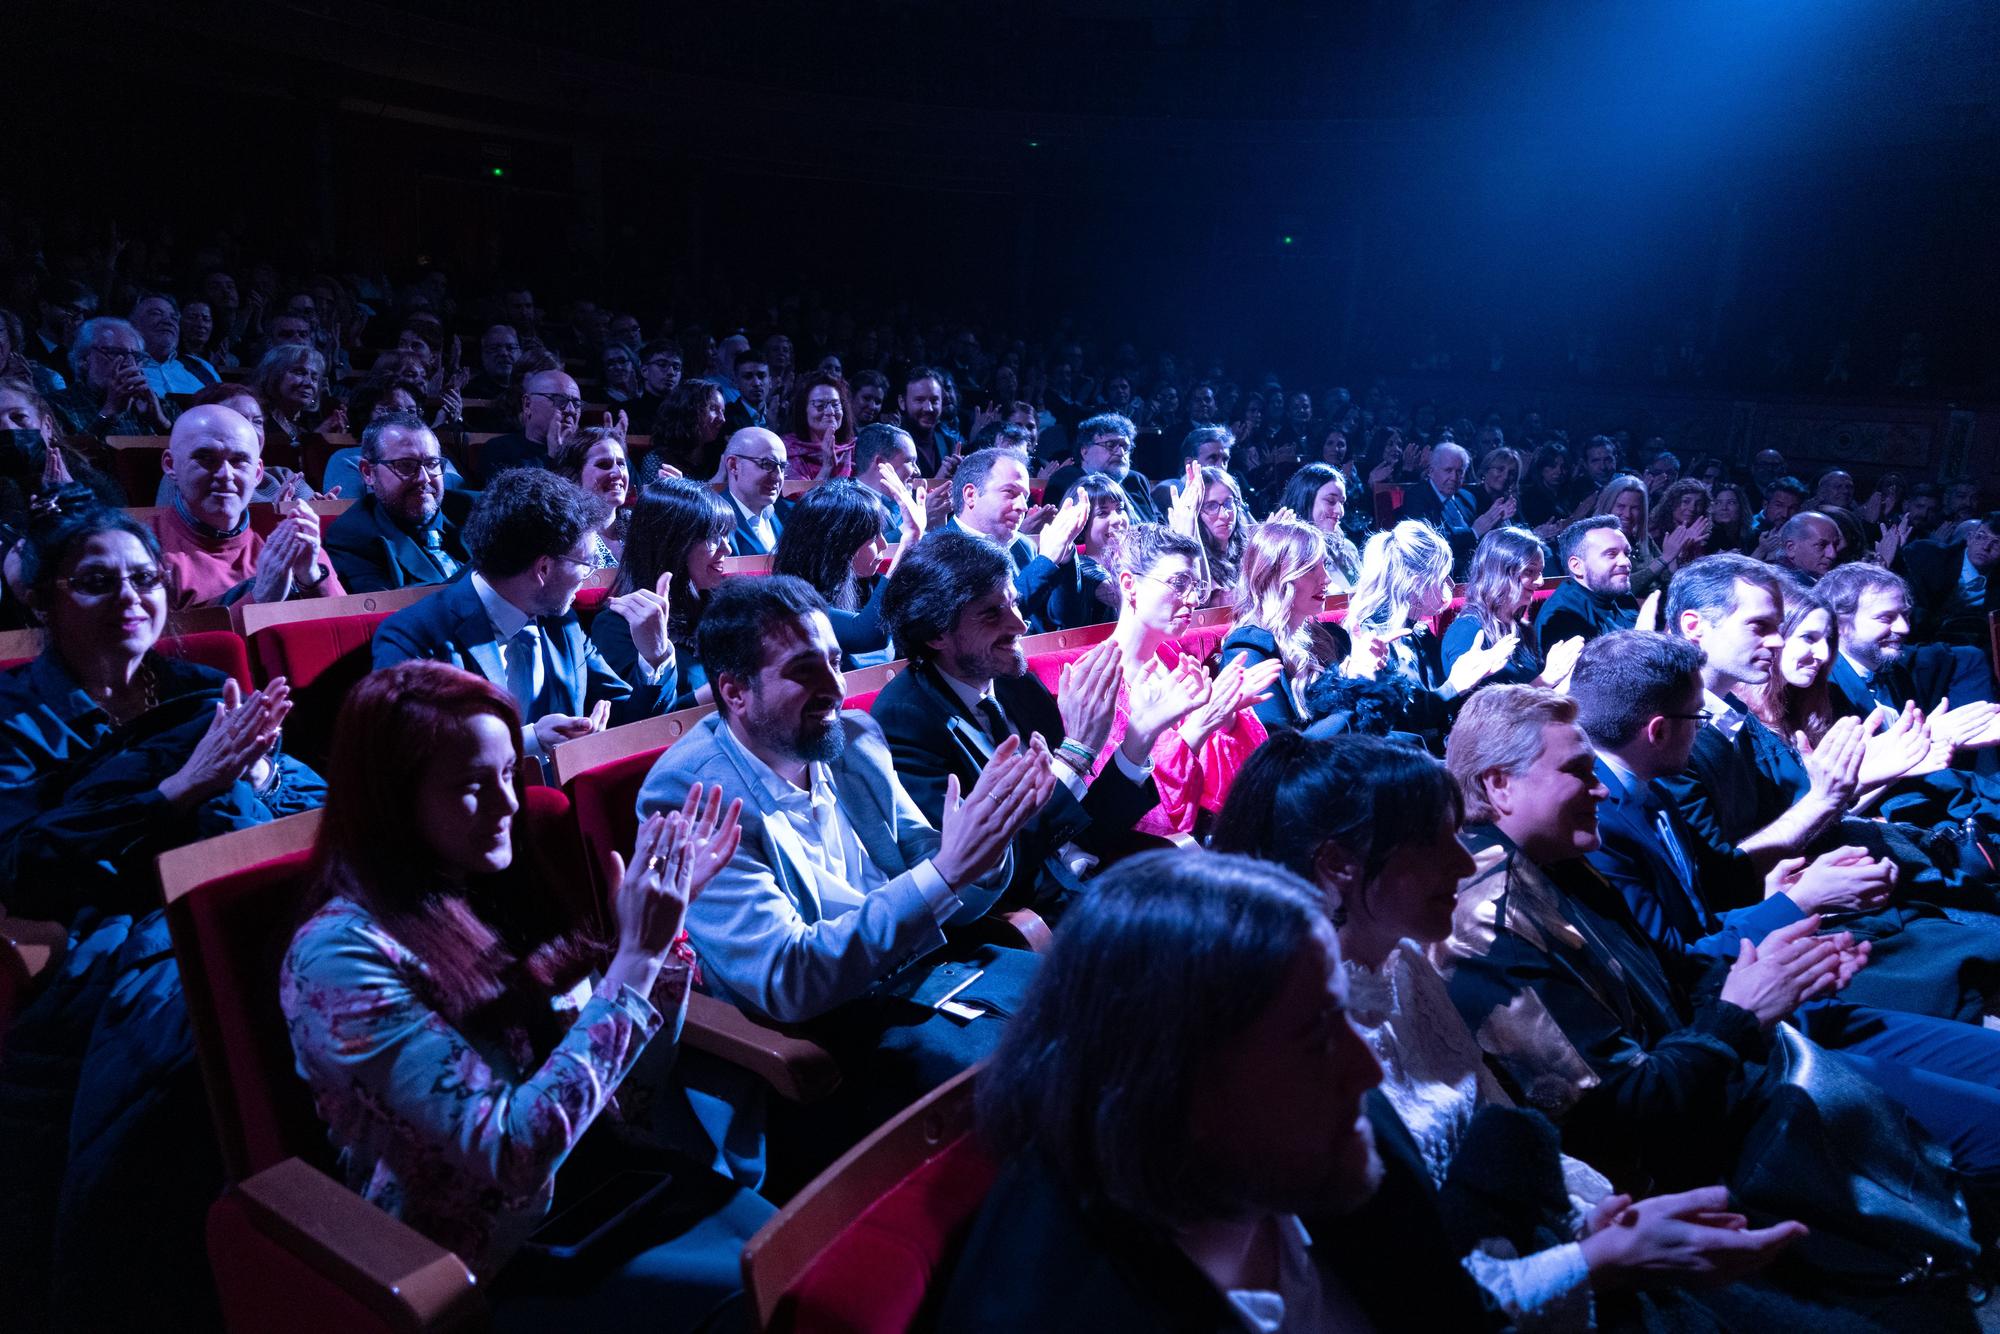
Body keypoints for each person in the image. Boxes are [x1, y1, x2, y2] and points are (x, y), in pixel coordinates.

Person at [1209, 733, 1817, 1329]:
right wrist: (1593, 1258)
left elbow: (1508, 1131)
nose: (1465, 859)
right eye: (1433, 842)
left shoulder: (1404, 967)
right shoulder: (1294, 1048)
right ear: (1340, 864)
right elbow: (1402, 1292)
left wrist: (1591, 1222)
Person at [280, 662, 771, 1328]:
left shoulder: (493, 886)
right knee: (769, 1297)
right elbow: (511, 1156)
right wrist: (635, 961)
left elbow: (627, 1092)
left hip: (604, 1185)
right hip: (478, 1264)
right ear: (393, 801)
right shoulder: (339, 956)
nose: (510, 804)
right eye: (472, 786)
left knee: (805, 1257)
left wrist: (668, 938)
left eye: (511, 774)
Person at [1443, 686, 2000, 1235]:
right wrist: (1743, 1008)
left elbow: (1673, 976)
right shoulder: (1493, 918)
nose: (1602, 790)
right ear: (1500, 785)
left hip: (1743, 1054)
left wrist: (1777, 967)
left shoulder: (1555, 856)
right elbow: (1624, 1119)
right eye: (1579, 773)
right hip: (1717, 1124)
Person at [939, 848, 1503, 1333]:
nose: (1370, 1071)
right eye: (1314, 1039)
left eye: (1343, 1016)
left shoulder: (1337, 1138)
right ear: (1172, 1087)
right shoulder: (1075, 1310)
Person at [0, 499, 322, 1330]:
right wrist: (181, 788)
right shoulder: (13, 719)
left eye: (144, 579)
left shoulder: (192, 688)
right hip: (102, 927)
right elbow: (22, 862)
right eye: (97, 582)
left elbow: (303, 791)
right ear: (44, 601)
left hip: (231, 887)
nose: (130, 599)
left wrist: (252, 785)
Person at [635, 575, 1051, 1162]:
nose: (835, 686)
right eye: (805, 670)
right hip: (821, 1035)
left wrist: (983, 845)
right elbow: (787, 978)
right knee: (1043, 1099)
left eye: (835, 660)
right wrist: (947, 871)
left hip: (921, 977)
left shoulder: (852, 737)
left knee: (1106, 1005)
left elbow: (931, 869)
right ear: (734, 692)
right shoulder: (691, 793)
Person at [872, 530, 1179, 912]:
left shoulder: (1016, 681)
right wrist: (1073, 756)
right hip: (1022, 917)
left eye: (1014, 603)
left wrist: (1139, 738)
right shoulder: (905, 719)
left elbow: (1082, 824)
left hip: (1087, 888)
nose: (1020, 624)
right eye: (991, 613)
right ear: (936, 633)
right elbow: (983, 876)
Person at [373, 470, 673, 767]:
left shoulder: (563, 623)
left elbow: (629, 719)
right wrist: (527, 741)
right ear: (543, 569)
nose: (588, 577)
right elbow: (410, 755)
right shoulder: (414, 635)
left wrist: (654, 657)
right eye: (586, 563)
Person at [1334, 520, 1515, 753]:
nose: (1449, 585)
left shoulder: (1419, 632)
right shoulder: (1371, 638)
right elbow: (1399, 722)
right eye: (1441, 578)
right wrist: (1455, 685)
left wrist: (1474, 674)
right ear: (1416, 583)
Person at [141, 404, 344, 608]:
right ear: (170, 465)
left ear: (257, 473)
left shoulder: (288, 535)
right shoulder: (142, 549)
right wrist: (260, 597)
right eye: (205, 458)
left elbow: (346, 625)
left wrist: (311, 578)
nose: (225, 474)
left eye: (239, 461)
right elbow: (168, 638)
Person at [597, 477, 734, 709]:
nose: (727, 549)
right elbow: (634, 726)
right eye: (713, 537)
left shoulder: (722, 606)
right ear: (674, 545)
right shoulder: (616, 625)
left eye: (726, 534)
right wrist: (721, 691)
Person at [1221, 517, 1351, 732]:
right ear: (1274, 576)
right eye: (1310, 568)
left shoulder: (1326, 638)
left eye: (1324, 565)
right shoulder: (1249, 650)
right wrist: (1356, 683)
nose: (1326, 579)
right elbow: (1280, 752)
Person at [772, 479, 918, 669]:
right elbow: (868, 635)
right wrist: (909, 543)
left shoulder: (864, 582)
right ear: (839, 544)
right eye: (873, 537)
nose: (883, 544)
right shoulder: (793, 602)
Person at [324, 411, 473, 592]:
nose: (424, 478)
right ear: (368, 473)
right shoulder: (351, 536)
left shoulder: (478, 509)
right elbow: (392, 613)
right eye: (405, 465)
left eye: (432, 464)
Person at [948, 445, 1086, 632]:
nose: (1022, 506)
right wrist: (1046, 561)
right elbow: (990, 624)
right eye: (1010, 493)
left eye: (1025, 497)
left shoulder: (1023, 545)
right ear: (971, 495)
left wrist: (1065, 554)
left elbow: (1067, 621)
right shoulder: (939, 552)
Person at [1442, 525, 1583, 693]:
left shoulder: (1518, 627)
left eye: (1540, 572)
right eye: (1529, 572)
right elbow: (1481, 712)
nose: (1540, 582)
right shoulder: (1467, 631)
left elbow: (1535, 701)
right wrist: (1548, 677)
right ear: (1500, 574)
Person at [49, 316, 177, 438]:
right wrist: (108, 413)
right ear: (84, 359)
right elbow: (64, 458)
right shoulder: (57, 407)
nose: (129, 363)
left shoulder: (164, 408)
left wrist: (161, 423)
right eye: (115, 353)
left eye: (137, 356)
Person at [1534, 516, 1641, 650]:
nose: (1626, 562)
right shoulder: (1561, 618)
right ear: (1576, 566)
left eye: (1626, 554)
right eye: (1611, 554)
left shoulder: (1621, 595)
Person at [1900, 513, 2000, 649]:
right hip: (1921, 642)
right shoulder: (1929, 556)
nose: (1985, 547)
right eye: (1981, 537)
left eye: (1996, 543)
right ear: (1969, 538)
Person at [1040, 412, 1160, 525]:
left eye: (1125, 446)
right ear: (1084, 451)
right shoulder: (1068, 479)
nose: (1121, 452)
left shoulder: (1136, 480)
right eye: (1110, 445)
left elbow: (1160, 524)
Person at [553, 426, 633, 566]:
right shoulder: (567, 537)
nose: (618, 473)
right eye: (604, 464)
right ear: (575, 475)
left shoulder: (637, 527)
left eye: (621, 464)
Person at [247, 342, 331, 475]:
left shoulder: (300, 427)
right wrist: (311, 442)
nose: (309, 383)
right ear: (273, 375)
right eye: (299, 373)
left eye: (314, 378)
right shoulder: (254, 418)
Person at [1277, 462, 1361, 593]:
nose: (1340, 511)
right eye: (1331, 501)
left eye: (1342, 502)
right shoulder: (1283, 553)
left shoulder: (1346, 550)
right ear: (1305, 499)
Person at [717, 426, 793, 556]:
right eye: (768, 464)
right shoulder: (714, 521)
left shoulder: (788, 514)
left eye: (782, 467)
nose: (778, 477)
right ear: (733, 465)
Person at [129, 293, 218, 396]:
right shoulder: (121, 369)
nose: (168, 321)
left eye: (174, 317)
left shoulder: (202, 367)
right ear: (132, 323)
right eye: (156, 313)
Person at [645, 379, 728, 483]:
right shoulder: (658, 460)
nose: (722, 419)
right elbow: (661, 498)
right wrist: (718, 478)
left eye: (722, 411)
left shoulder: (718, 455)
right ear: (688, 412)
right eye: (712, 408)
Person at [852, 421, 923, 541]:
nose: (917, 471)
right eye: (910, 461)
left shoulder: (909, 501)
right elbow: (868, 555)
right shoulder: (848, 506)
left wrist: (936, 520)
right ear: (881, 463)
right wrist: (911, 527)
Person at [781, 370, 855, 482]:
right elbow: (801, 499)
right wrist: (827, 467)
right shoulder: (786, 451)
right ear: (803, 410)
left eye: (835, 405)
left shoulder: (855, 449)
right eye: (820, 405)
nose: (830, 412)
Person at [899, 366, 956, 475]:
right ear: (902, 402)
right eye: (919, 400)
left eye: (934, 401)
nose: (928, 408)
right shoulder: (892, 446)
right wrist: (939, 480)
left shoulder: (949, 444)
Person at [1772, 510, 1841, 584]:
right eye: (1821, 545)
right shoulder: (1778, 586)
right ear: (1791, 548)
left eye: (1835, 545)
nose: (1832, 555)